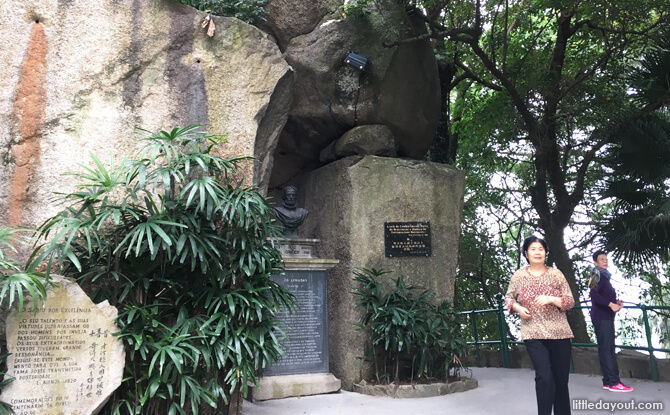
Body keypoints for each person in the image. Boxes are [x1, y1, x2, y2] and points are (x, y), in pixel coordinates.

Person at [505, 235, 575, 415]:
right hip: (533, 333)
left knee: (560, 382)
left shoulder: (556, 274)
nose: (537, 252)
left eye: (541, 249)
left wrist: (552, 299)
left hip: (560, 333)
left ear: (546, 253)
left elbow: (569, 301)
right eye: (533, 249)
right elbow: (508, 298)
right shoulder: (519, 276)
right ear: (526, 253)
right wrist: (518, 308)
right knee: (545, 377)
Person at [588, 250, 633, 392]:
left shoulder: (603, 276)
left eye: (606, 259)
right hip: (602, 317)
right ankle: (614, 382)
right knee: (607, 349)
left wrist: (615, 302)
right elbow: (593, 294)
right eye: (601, 259)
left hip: (604, 316)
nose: (605, 261)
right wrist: (610, 305)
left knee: (605, 349)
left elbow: (602, 294)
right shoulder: (596, 274)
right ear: (595, 262)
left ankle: (607, 381)